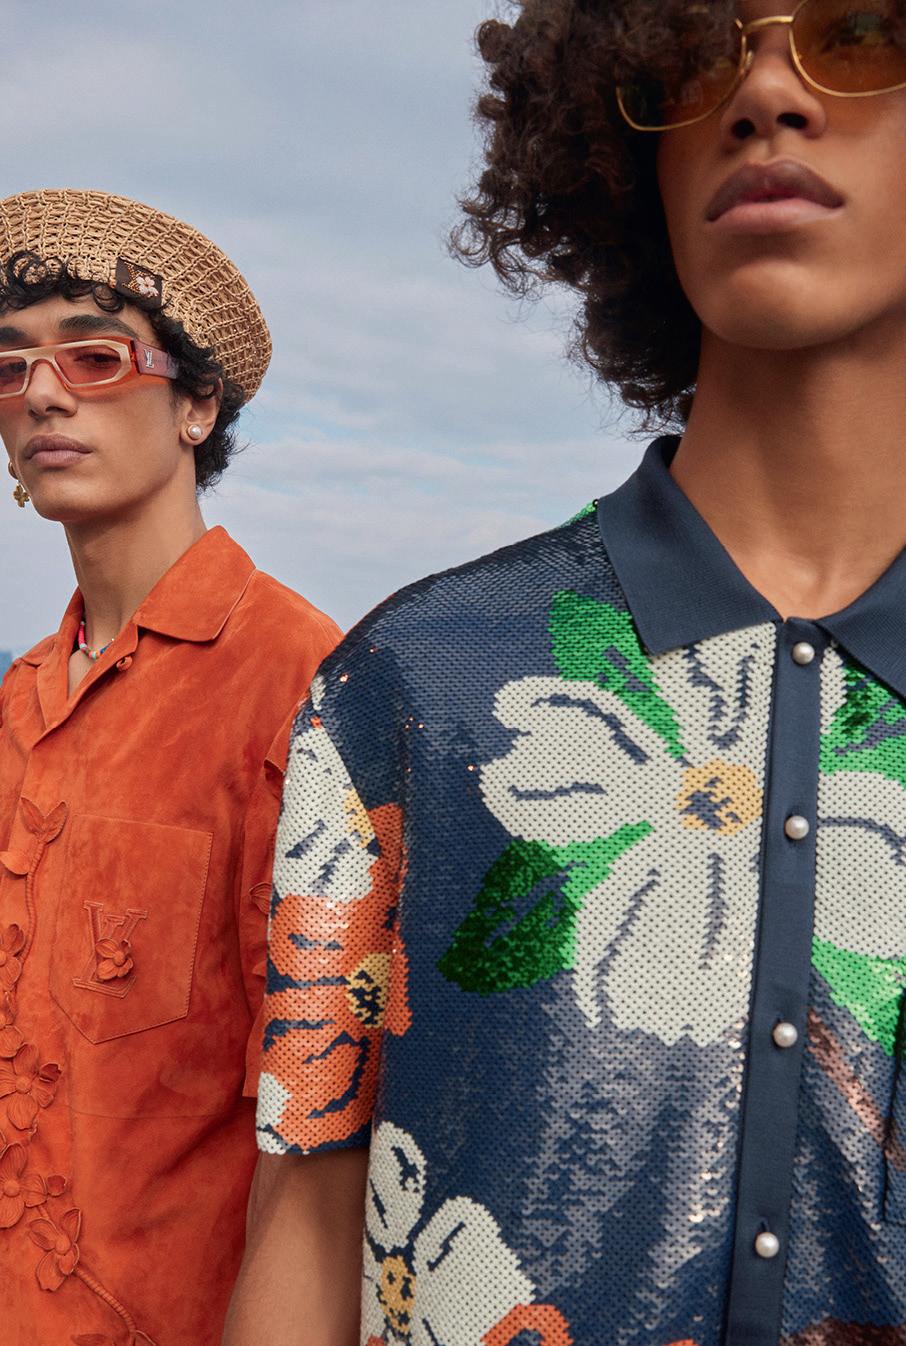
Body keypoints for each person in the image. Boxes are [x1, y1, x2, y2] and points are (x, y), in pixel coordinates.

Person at [226, 2, 906, 1343]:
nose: (766, 95)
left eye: (861, 33)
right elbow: (307, 1222)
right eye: (700, 56)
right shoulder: (410, 689)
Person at [0, 189, 340, 1346]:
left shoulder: (301, 683)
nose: (43, 393)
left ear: (197, 404)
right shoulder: (19, 698)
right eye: (11, 366)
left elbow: (320, 1118)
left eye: (94, 358)